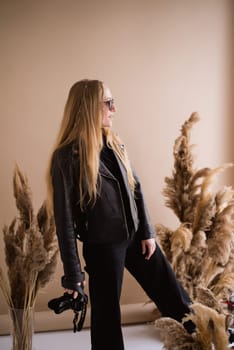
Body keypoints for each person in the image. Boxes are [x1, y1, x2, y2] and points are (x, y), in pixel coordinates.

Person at [47, 79, 194, 350]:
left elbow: (136, 190)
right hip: (103, 247)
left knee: (175, 297)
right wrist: (73, 275)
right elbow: (64, 222)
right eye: (109, 103)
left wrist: (147, 232)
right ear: (90, 107)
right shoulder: (67, 157)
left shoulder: (115, 144)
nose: (114, 109)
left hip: (136, 238)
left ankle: (207, 338)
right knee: (107, 322)